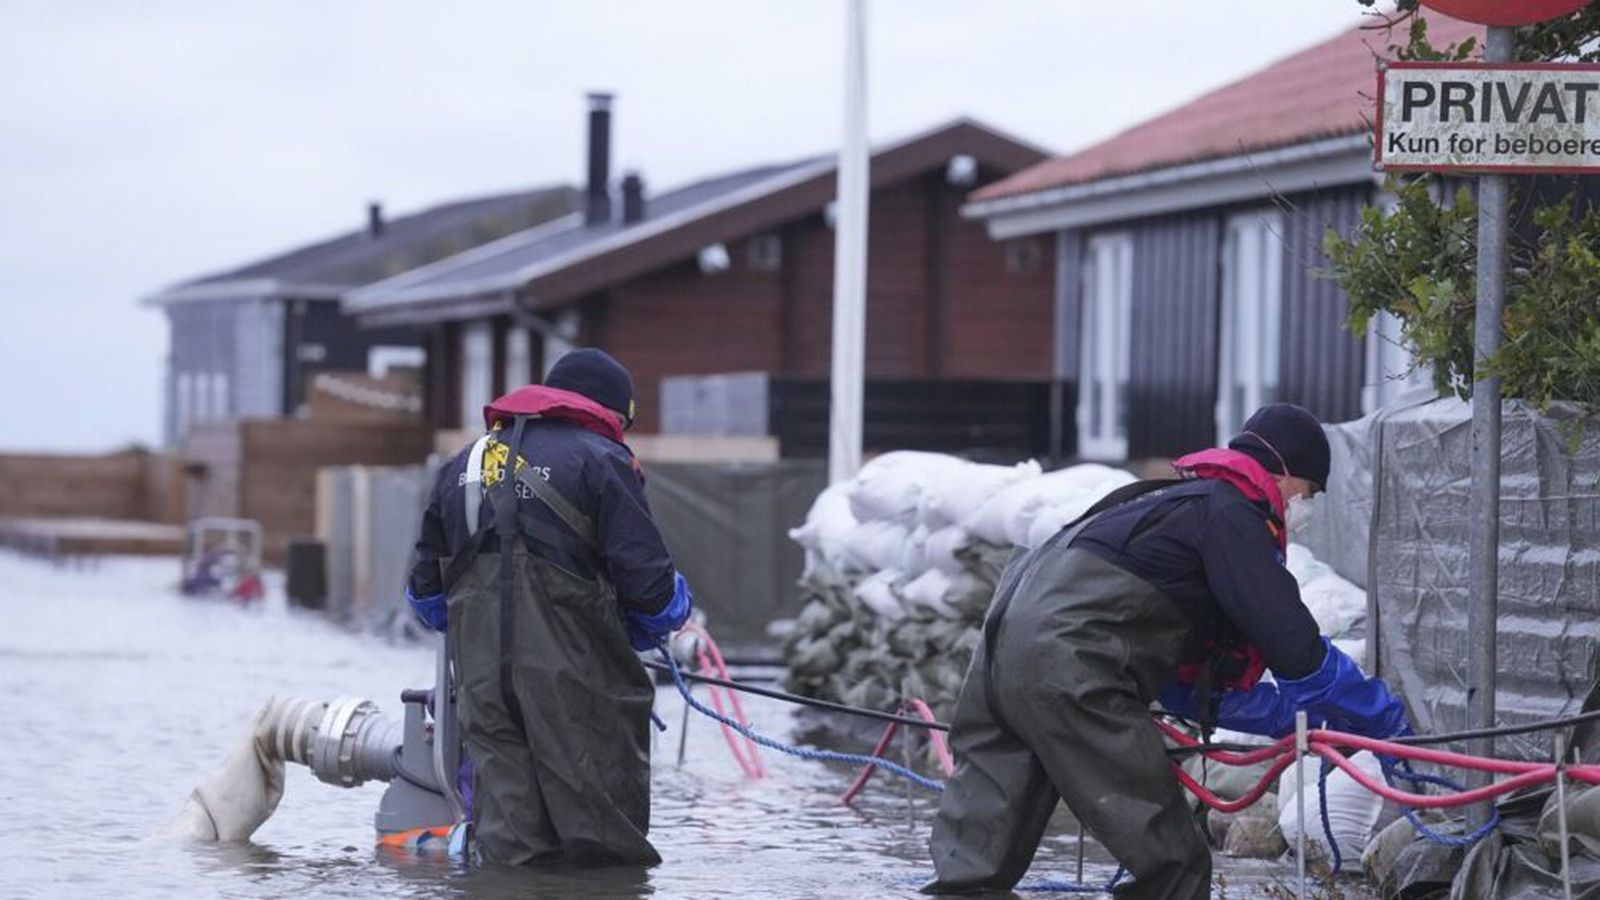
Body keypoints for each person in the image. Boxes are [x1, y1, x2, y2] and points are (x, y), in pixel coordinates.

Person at [924, 403, 1409, 899]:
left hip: (1001, 652)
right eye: (1307, 494)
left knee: (974, 869)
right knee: (1174, 869)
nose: (1301, 510)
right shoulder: (1231, 514)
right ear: (1285, 473)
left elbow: (1192, 691)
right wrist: (1381, 717)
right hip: (1072, 665)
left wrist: (1309, 724)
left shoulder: (1165, 508)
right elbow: (1297, 651)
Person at [405, 347, 692, 867]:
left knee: (511, 850)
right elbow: (654, 596)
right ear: (609, 410)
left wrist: (487, 626)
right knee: (604, 853)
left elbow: (425, 598)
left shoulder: (461, 465)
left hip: (485, 691)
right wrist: (670, 612)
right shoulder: (603, 461)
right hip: (576, 689)